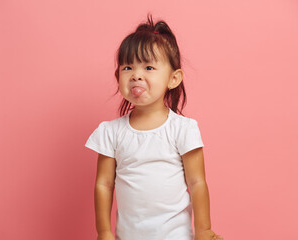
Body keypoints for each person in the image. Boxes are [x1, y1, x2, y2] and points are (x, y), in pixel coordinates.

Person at [85, 14, 223, 240]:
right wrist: (104, 232)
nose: (136, 75)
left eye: (148, 67)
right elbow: (104, 184)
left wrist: (204, 228)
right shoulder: (110, 132)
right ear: (117, 75)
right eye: (128, 67)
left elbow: (197, 182)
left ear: (173, 79)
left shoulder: (182, 129)